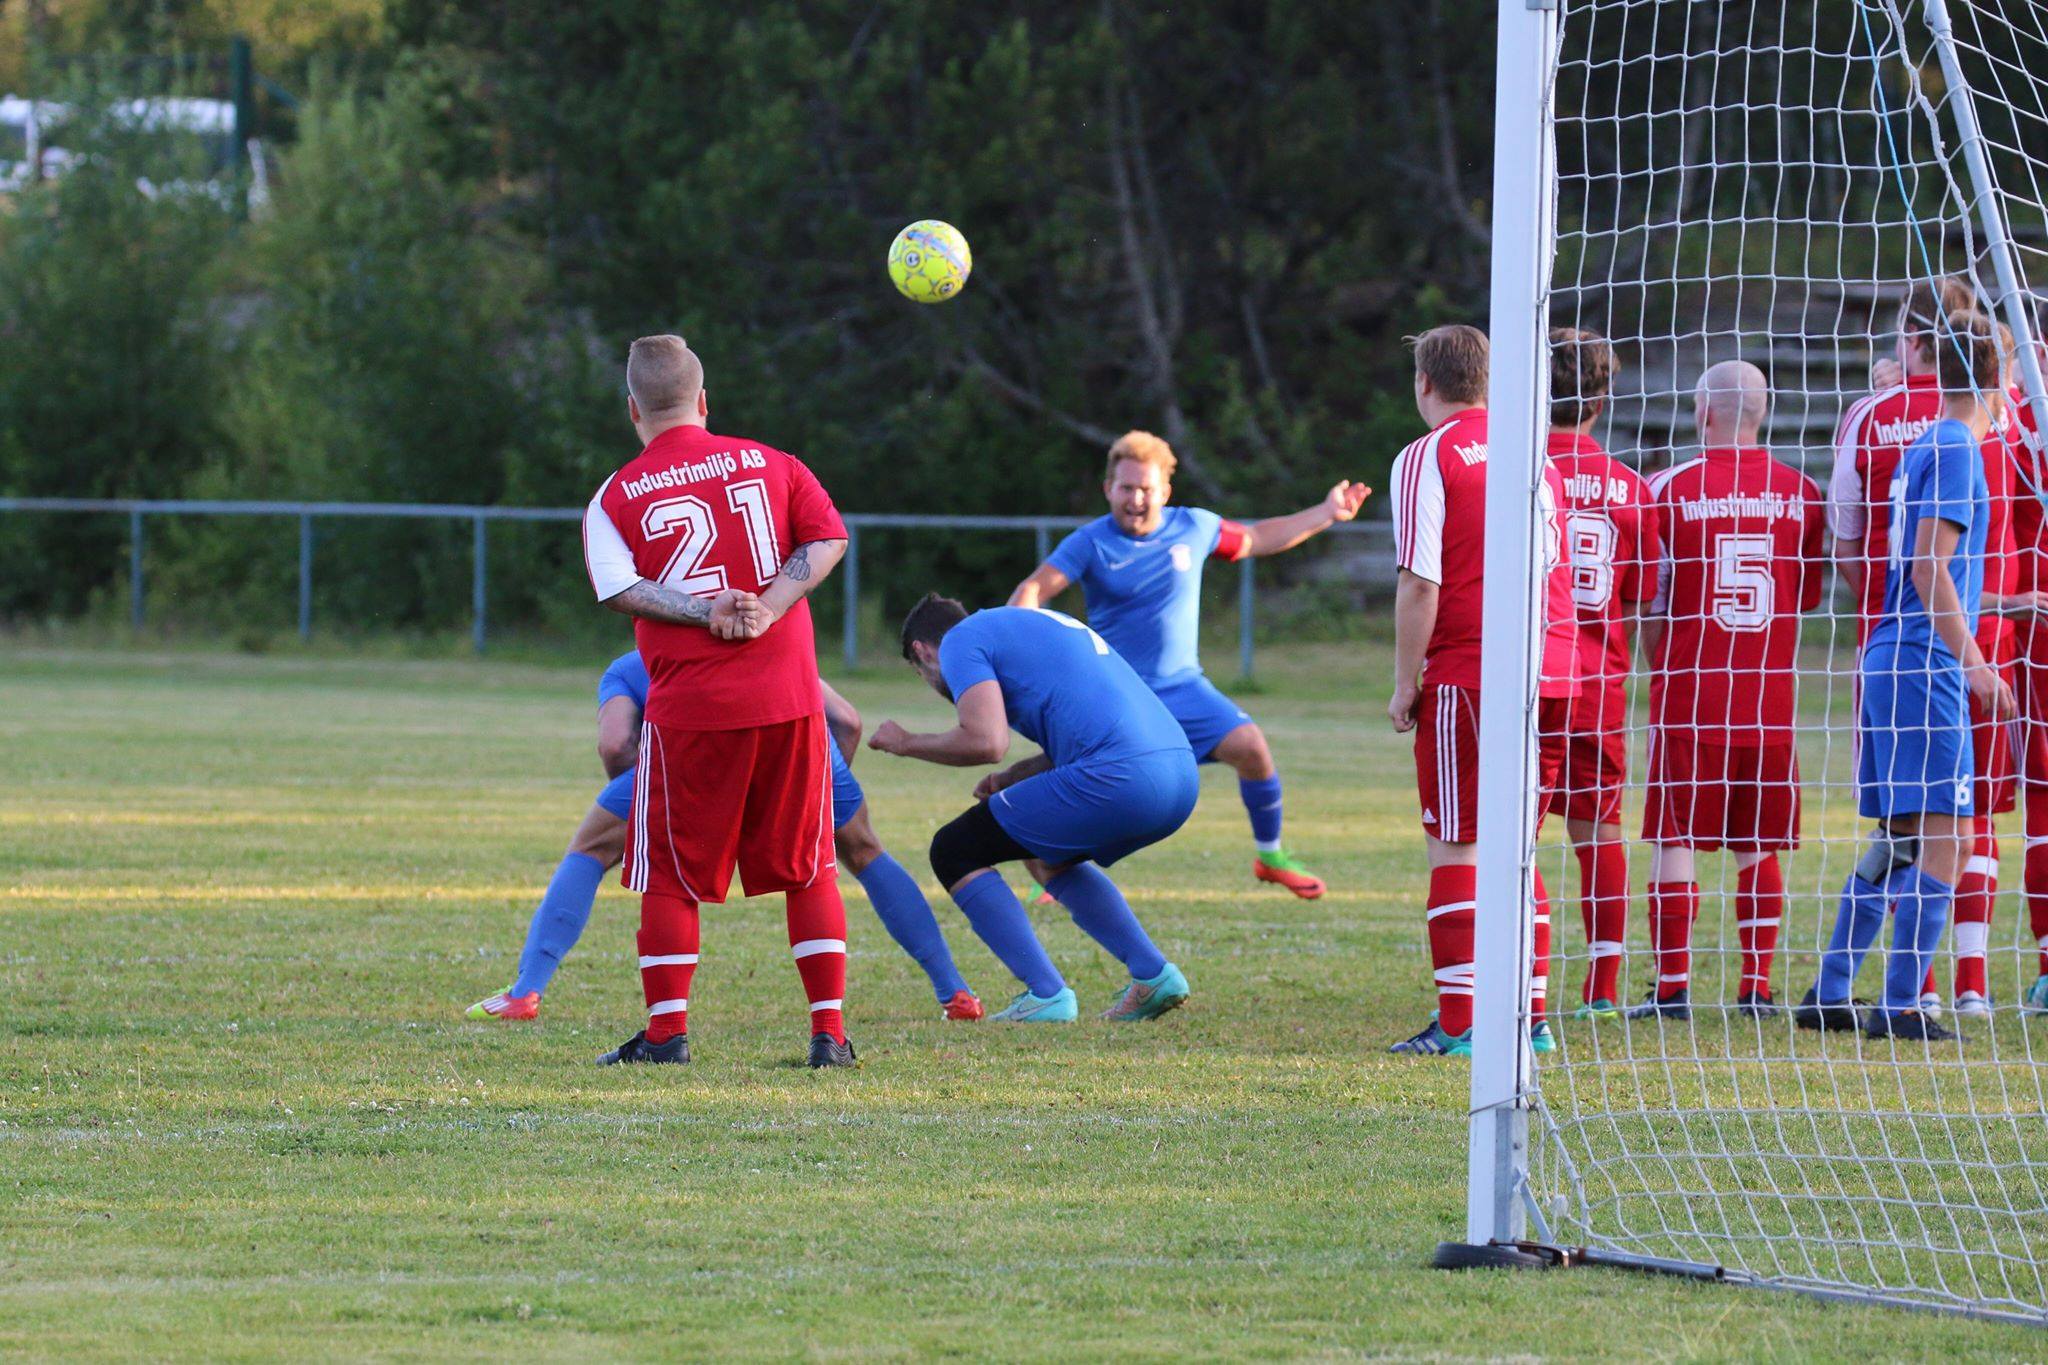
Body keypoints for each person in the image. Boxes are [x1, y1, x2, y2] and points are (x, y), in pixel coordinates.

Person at [581, 333, 856, 1068]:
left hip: (691, 711)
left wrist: (706, 611)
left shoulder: (614, 494)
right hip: (789, 700)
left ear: (632, 408)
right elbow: (828, 539)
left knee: (671, 875)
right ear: (704, 400)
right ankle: (828, 1035)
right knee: (810, 865)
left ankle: (666, 1036)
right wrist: (768, 606)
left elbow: (617, 588)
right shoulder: (776, 462)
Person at [464, 657, 984, 1022]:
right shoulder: (774, 640)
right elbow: (846, 721)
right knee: (864, 852)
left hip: (699, 755)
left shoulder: (634, 664)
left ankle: (526, 992)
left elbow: (616, 743)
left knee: (590, 849)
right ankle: (955, 993)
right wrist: (808, 798)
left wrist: (640, 804)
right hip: (798, 750)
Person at [1008, 431, 1368, 900]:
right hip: (1118, 696)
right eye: (1126, 488)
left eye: (1146, 489)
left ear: (1165, 491)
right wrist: (1017, 636)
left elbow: (1258, 537)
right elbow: (1035, 588)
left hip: (1182, 687)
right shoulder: (1090, 543)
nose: (1136, 499)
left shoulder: (1194, 527)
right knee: (1097, 787)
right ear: (1108, 489)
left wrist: (1326, 513)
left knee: (1251, 748)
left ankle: (1271, 856)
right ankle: (1054, 871)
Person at [1798, 310, 2016, 1042]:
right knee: (1951, 839)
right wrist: (1976, 663)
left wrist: (2005, 604)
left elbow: (1937, 569)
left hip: (1893, 653)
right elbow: (1929, 569)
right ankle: (1898, 1005)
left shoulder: (1928, 442)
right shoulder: (1954, 446)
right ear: (1997, 375)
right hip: (1926, 662)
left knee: (1899, 836)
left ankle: (1830, 990)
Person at [1384, 324, 1580, 1056]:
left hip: (1473, 670)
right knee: (1518, 848)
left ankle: (1463, 1023)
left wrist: (1405, 681)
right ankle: (1532, 1017)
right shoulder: (1535, 452)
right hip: (1555, 669)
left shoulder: (1427, 454)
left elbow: (1420, 581)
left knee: (1456, 844)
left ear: (1424, 383)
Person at [871, 597, 1197, 1023]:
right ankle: (1153, 975)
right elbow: (1083, 732)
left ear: (923, 651)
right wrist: (1013, 777)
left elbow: (987, 741)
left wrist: (905, 742)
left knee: (954, 850)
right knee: (1046, 855)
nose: (934, 683)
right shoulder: (1031, 626)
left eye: (922, 675)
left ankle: (1046, 994)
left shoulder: (958, 641)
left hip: (1122, 776)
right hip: (1180, 774)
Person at [1634, 361, 1825, 1021]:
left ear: (1702, 412)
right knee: (1759, 843)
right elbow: (1802, 597)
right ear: (1761, 413)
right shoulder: (1803, 493)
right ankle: (1756, 987)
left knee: (1675, 838)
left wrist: (1664, 663)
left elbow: (1651, 602)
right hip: (1768, 700)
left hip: (1691, 694)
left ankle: (1672, 989)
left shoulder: (1667, 487)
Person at [1546, 328, 1661, 1019]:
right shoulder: (1631, 487)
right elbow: (1638, 600)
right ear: (1603, 397)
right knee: (1599, 832)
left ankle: (1509, 977)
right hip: (1598, 683)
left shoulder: (1514, 471)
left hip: (1528, 678)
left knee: (1506, 832)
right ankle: (1603, 989)